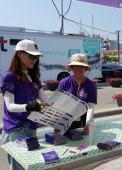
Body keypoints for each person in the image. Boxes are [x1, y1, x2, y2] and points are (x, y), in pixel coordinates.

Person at [1, 39, 48, 170]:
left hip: (32, 126)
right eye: (31, 55)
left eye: (36, 57)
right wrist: (28, 106)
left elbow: (45, 100)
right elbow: (9, 106)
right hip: (16, 129)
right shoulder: (9, 77)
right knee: (18, 167)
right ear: (19, 54)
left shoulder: (34, 76)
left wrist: (64, 103)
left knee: (31, 165)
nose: (34, 59)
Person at [55, 53, 97, 134]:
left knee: (82, 143)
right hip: (65, 119)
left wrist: (87, 123)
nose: (77, 69)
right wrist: (57, 123)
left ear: (86, 68)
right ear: (71, 68)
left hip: (82, 119)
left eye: (80, 66)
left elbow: (90, 107)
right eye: (74, 66)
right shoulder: (64, 82)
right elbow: (58, 104)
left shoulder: (91, 85)